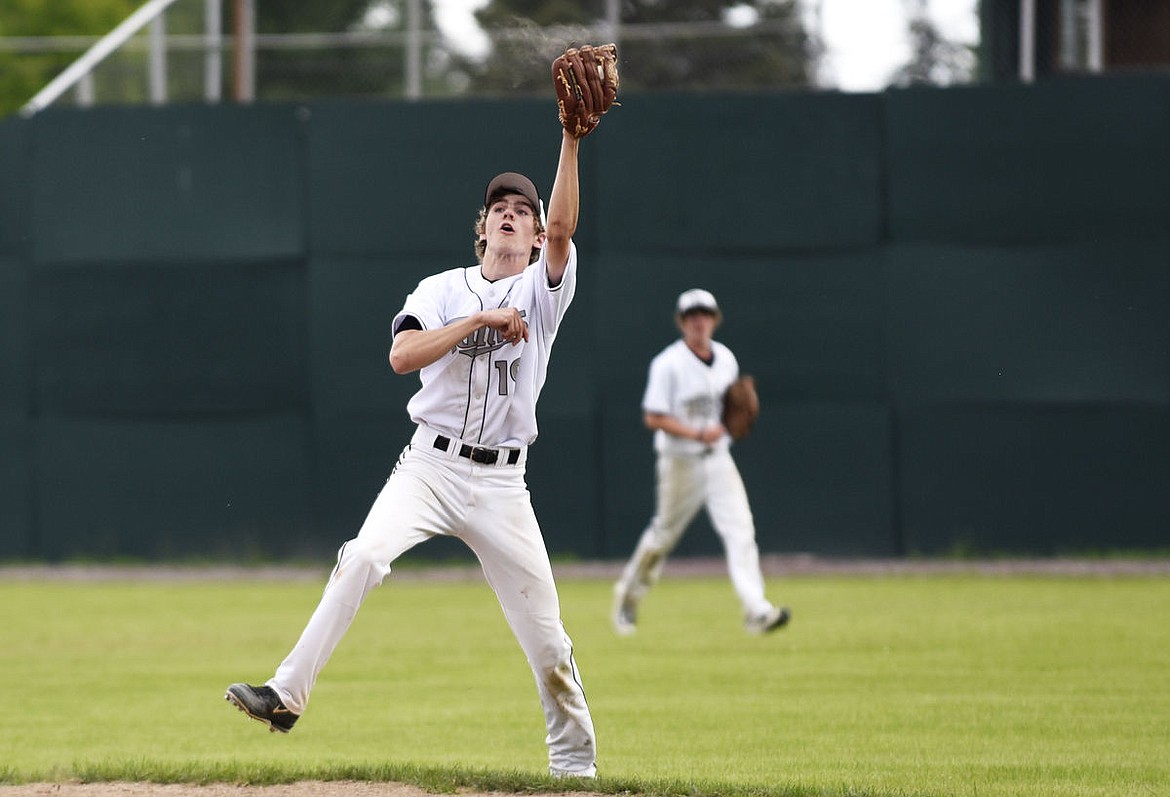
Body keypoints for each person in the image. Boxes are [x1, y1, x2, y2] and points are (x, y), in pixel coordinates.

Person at [225, 130, 598, 778]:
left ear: (536, 237)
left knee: (548, 639)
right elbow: (403, 357)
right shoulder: (440, 290)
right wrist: (478, 322)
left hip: (505, 485)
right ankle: (286, 694)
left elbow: (566, 225)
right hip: (430, 466)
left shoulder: (544, 290)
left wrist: (569, 138)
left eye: (523, 210)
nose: (511, 213)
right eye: (499, 207)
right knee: (363, 556)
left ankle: (576, 770)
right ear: (480, 229)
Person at [611, 288, 791, 637]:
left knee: (741, 530)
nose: (699, 321)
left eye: (705, 314)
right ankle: (627, 598)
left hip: (719, 458)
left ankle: (756, 610)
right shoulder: (668, 364)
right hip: (680, 461)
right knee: (662, 536)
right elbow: (653, 417)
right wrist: (696, 434)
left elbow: (730, 412)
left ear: (714, 319)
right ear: (682, 322)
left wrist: (727, 426)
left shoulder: (726, 359)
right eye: (692, 315)